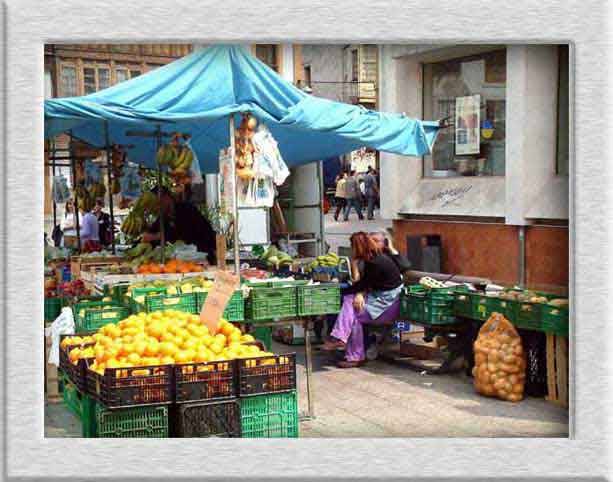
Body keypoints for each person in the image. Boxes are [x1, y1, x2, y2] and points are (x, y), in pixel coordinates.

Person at [322, 232, 403, 368]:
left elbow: (362, 284)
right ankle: (346, 346)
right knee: (350, 303)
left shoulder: (375, 263)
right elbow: (363, 284)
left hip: (388, 304)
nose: (351, 249)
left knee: (352, 309)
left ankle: (344, 343)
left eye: (352, 246)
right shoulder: (374, 259)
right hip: (380, 299)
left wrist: (343, 291)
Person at [143, 186, 217, 264]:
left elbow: (183, 235)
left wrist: (158, 236)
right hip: (179, 263)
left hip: (201, 258)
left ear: (167, 197)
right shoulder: (162, 218)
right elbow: (151, 234)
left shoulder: (187, 210)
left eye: (158, 203)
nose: (157, 207)